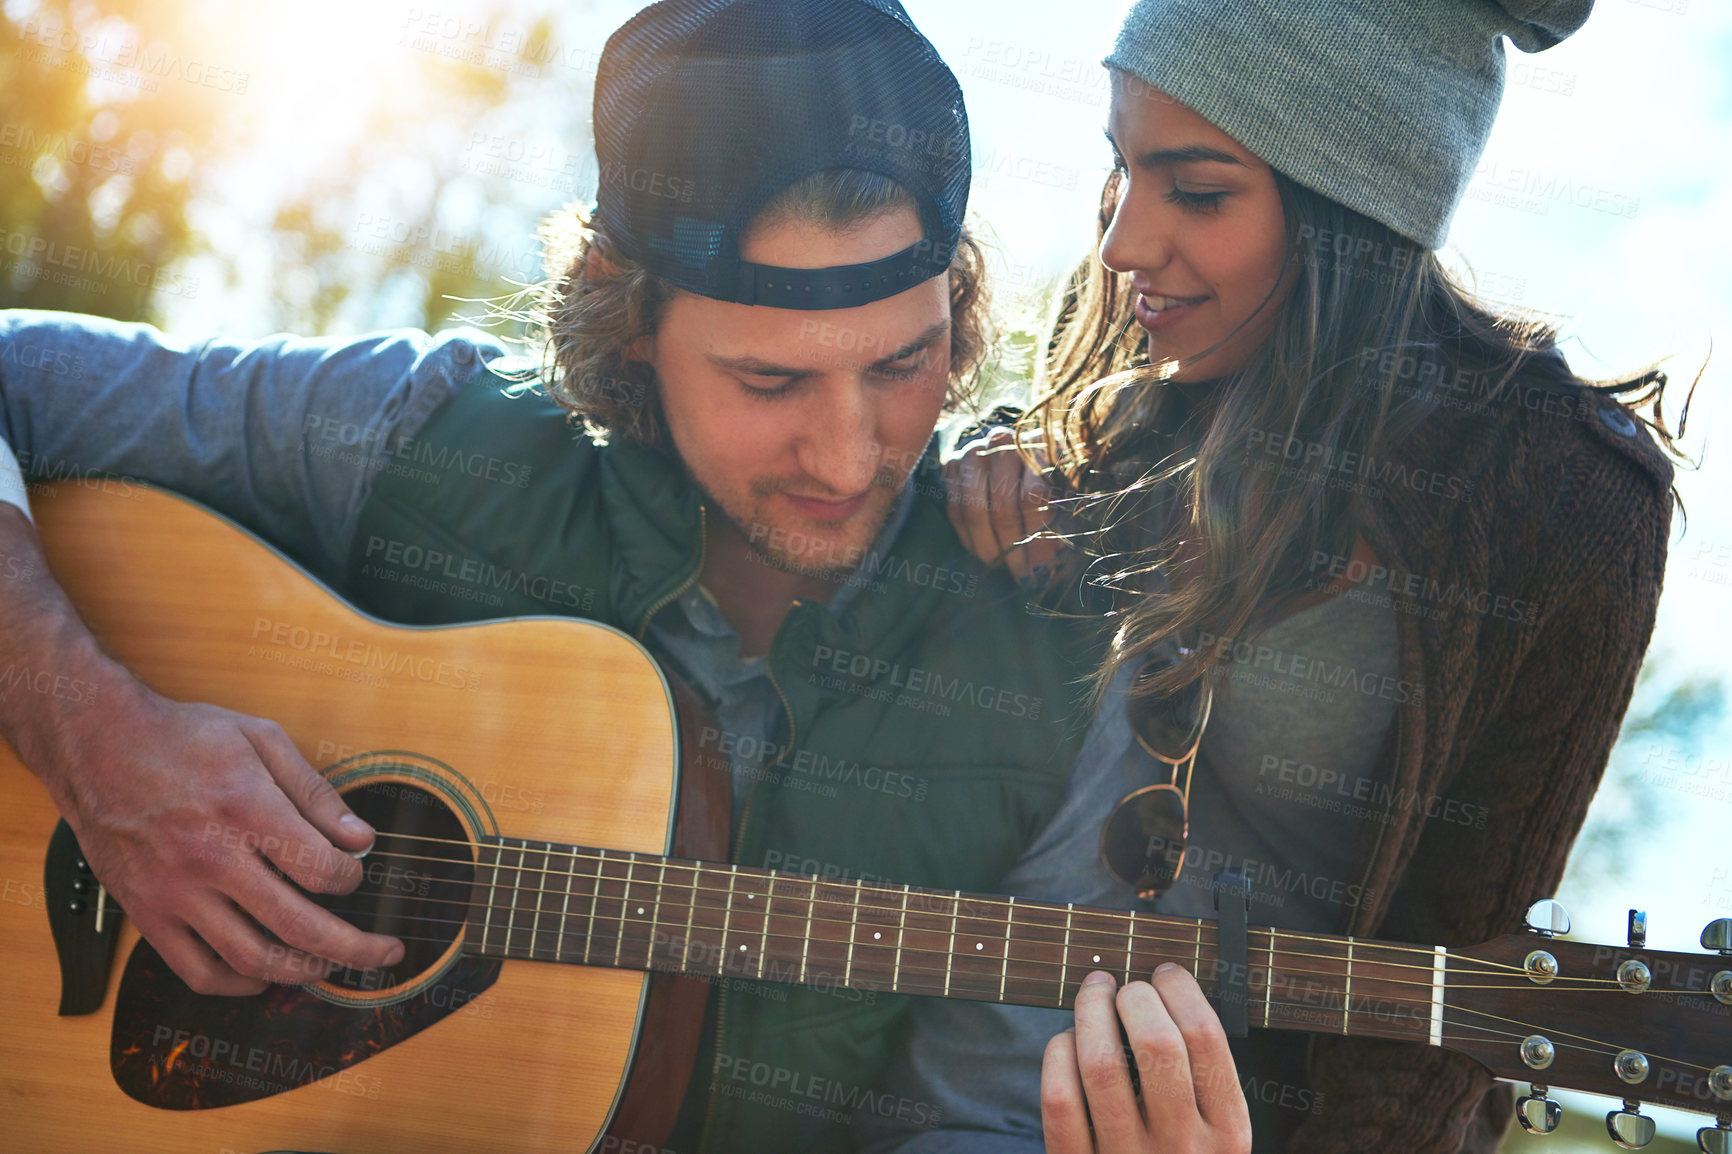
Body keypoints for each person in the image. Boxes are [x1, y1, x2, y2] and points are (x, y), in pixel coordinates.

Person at [0, 1, 1232, 1149]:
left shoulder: (1074, 639)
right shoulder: (417, 435)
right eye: (770, 381)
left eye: (904, 363)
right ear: (625, 314)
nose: (851, 453)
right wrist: (96, 734)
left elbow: (976, 1110)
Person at [862, 1, 1683, 1152]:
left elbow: (1460, 991)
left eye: (1194, 190)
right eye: (1122, 168)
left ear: (1352, 203)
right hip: (905, 1103)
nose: (1123, 245)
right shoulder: (1138, 361)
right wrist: (982, 459)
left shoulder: (1553, 492)